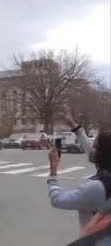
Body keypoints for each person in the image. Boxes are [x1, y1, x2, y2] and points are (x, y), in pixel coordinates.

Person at [45, 105, 111, 245]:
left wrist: (53, 171)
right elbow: (89, 147)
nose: (90, 148)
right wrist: (74, 125)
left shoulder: (96, 188)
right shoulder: (107, 175)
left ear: (102, 154)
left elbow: (57, 200)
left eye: (95, 146)